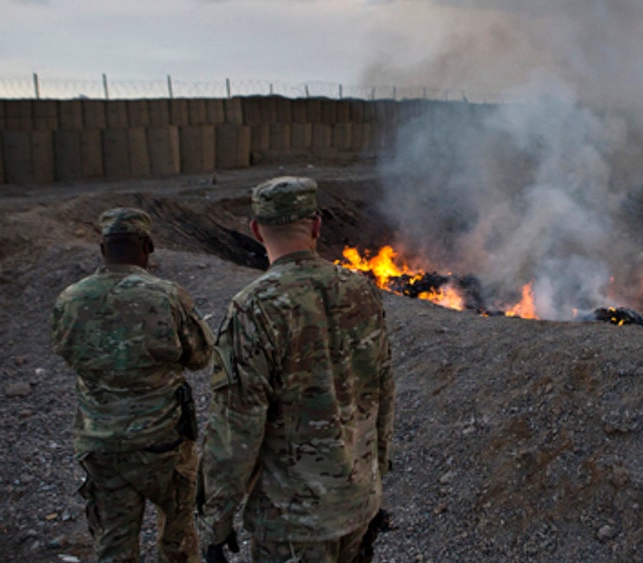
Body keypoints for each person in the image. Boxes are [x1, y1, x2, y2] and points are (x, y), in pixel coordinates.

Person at [199, 176, 394, 563]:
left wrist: (216, 522)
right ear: (317, 226)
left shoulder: (253, 308)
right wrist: (374, 484)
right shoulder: (362, 290)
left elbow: (237, 429)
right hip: (357, 506)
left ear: (256, 231)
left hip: (293, 523)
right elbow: (384, 393)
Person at [52, 207, 215, 563]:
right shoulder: (167, 296)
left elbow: (67, 353)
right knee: (178, 538)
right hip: (163, 443)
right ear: (148, 246)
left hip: (101, 444)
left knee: (113, 541)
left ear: (102, 249)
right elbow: (201, 357)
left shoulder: (70, 299)